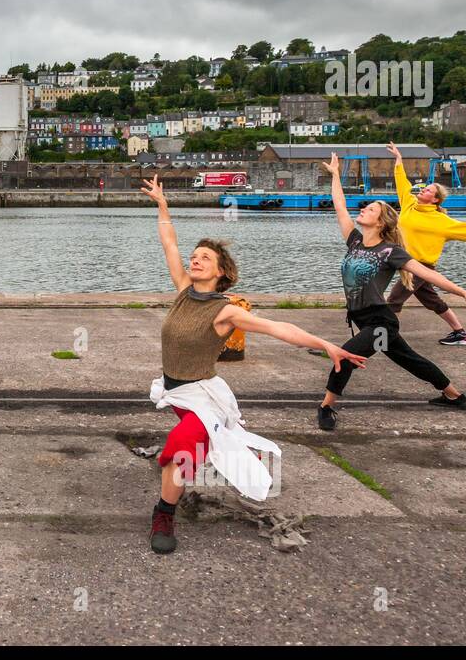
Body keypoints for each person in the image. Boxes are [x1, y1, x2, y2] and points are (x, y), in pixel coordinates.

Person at [140, 176, 368, 555]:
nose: (195, 259)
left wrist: (326, 344)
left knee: (184, 443)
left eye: (205, 258)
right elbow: (169, 243)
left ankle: (164, 512)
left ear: (221, 273)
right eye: (195, 255)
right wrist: (163, 206)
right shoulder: (183, 290)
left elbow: (277, 327)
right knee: (192, 445)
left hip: (201, 393)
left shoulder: (226, 311)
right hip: (173, 389)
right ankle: (183, 473)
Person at [316, 152, 466, 431]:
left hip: (380, 322)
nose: (363, 210)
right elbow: (339, 206)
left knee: (345, 356)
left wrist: (463, 293)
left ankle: (326, 407)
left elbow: (427, 273)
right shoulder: (355, 242)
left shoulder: (390, 252)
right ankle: (454, 395)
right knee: (409, 360)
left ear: (382, 222)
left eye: (370, 209)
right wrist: (336, 175)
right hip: (362, 318)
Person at [385, 141, 466, 346]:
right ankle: (460, 333)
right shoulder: (409, 204)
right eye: (424, 188)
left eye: (428, 190)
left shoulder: (442, 222)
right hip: (406, 263)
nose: (422, 190)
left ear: (435, 200)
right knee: (432, 301)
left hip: (421, 266)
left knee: (394, 301)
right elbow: (401, 180)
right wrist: (399, 160)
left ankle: (385, 338)